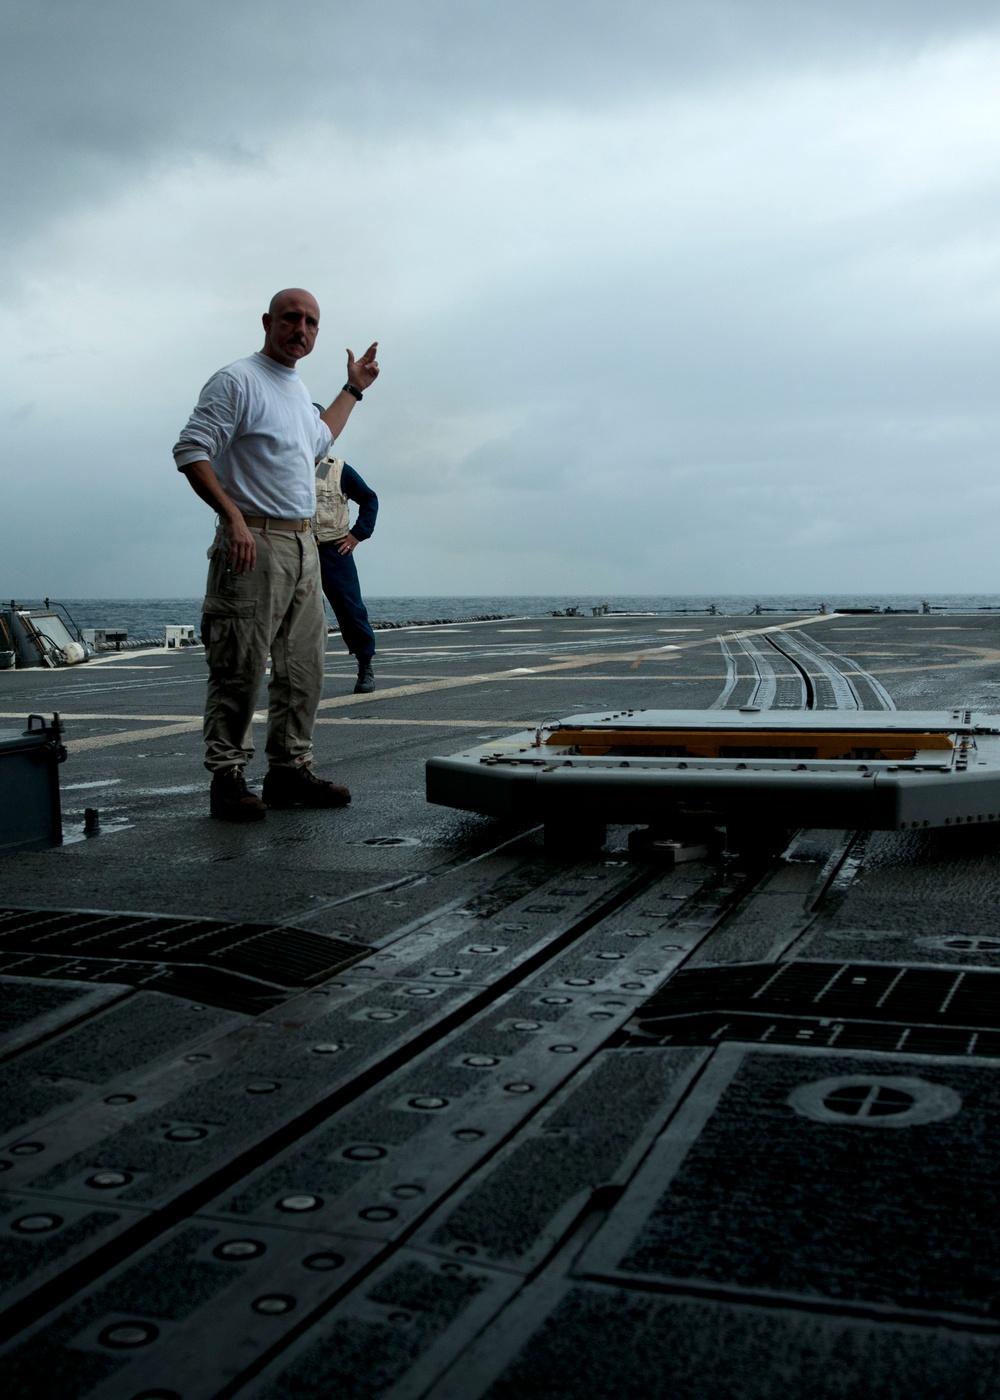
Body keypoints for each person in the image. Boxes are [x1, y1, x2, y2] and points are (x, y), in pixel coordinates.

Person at [172, 287, 379, 821]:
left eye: (311, 322)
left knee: (303, 666)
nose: (301, 329)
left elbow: (319, 440)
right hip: (254, 541)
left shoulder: (294, 387)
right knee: (238, 664)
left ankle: (289, 772)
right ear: (268, 322)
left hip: (304, 543)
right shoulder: (238, 379)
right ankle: (228, 778)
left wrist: (353, 390)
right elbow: (191, 449)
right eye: (292, 318)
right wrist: (232, 517)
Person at [312, 430, 379, 693]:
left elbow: (369, 499)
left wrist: (356, 535)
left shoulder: (338, 470)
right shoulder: (284, 467)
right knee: (293, 614)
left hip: (334, 550)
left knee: (351, 610)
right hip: (298, 548)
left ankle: (365, 667)